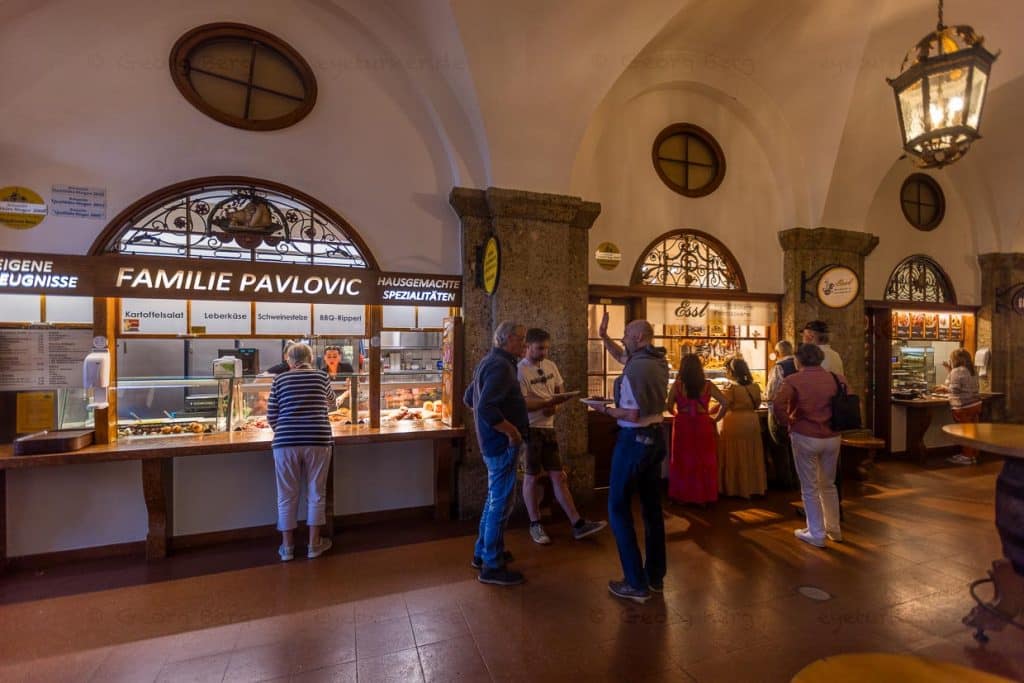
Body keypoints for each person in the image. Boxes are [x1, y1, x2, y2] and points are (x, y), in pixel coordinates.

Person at [595, 312, 668, 603]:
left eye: (626, 334)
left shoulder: (637, 369)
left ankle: (635, 583)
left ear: (638, 337)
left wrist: (605, 410)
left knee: (617, 507)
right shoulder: (655, 361)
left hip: (633, 440)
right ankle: (655, 577)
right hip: (654, 440)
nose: (623, 338)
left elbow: (632, 412)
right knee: (652, 509)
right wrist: (603, 337)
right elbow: (623, 357)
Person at [518, 328, 607, 544]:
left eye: (547, 347)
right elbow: (523, 403)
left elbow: (559, 390)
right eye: (540, 348)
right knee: (531, 477)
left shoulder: (550, 366)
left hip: (549, 427)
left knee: (558, 475)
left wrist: (554, 407)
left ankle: (577, 523)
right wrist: (547, 403)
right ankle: (535, 524)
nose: (544, 352)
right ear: (527, 346)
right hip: (530, 429)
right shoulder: (519, 370)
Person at [463, 321, 529, 586]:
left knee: (494, 499)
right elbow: (486, 407)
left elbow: (470, 399)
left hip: (491, 442)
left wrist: (485, 427)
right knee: (501, 503)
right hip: (501, 445)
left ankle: (484, 552)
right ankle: (491, 565)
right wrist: (510, 431)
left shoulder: (489, 361)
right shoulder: (501, 367)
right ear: (507, 339)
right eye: (521, 339)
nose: (524, 344)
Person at [267, 342, 336, 561]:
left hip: (285, 442)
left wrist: (286, 430)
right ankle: (314, 545)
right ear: (310, 358)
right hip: (318, 438)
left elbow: (271, 415)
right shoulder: (321, 377)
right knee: (317, 492)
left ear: (290, 360)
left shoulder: (279, 379)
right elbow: (332, 405)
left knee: (286, 494)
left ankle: (287, 548)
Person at [773, 343, 846, 548]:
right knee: (828, 484)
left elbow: (778, 404)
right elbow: (849, 399)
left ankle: (816, 532)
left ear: (799, 360)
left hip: (805, 435)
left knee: (809, 486)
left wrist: (787, 421)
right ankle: (834, 529)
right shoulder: (837, 378)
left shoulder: (793, 379)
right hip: (833, 436)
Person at [666, 353, 728, 505]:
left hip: (682, 424)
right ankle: (704, 496)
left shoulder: (677, 385)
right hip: (703, 423)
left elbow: (668, 405)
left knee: (682, 459)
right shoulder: (708, 385)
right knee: (704, 459)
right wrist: (715, 419)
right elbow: (725, 402)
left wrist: (676, 414)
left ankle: (682, 496)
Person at [717, 357, 767, 498]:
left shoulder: (731, 388)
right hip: (751, 421)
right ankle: (753, 486)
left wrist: (715, 418)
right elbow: (757, 405)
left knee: (734, 454)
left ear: (731, 372)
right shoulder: (755, 387)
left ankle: (735, 487)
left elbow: (724, 405)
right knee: (751, 453)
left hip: (734, 422)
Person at [934, 348, 982, 465]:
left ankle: (966, 456)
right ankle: (973, 455)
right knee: (973, 431)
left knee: (965, 432)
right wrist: (949, 371)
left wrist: (944, 388)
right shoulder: (973, 370)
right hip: (976, 404)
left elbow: (955, 389)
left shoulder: (957, 371)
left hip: (963, 406)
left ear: (955, 359)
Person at [766, 341, 799, 489]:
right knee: (795, 447)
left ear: (778, 353)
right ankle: (796, 479)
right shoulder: (800, 365)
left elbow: (772, 393)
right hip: (798, 412)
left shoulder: (779, 367)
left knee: (780, 446)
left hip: (781, 412)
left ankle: (785, 480)